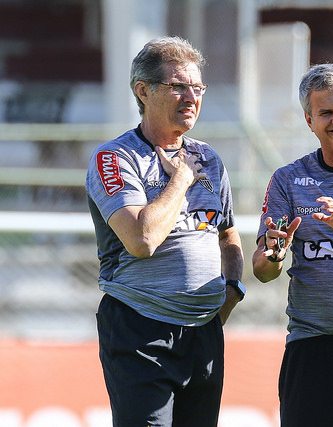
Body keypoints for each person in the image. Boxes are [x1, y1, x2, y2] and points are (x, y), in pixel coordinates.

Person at [85, 36, 245, 426]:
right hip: (141, 329)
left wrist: (232, 290)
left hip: (204, 332)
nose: (191, 96)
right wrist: (180, 180)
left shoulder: (209, 157)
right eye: (178, 86)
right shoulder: (115, 157)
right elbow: (142, 240)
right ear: (144, 91)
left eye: (197, 87)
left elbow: (227, 232)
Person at [252, 63, 333, 427]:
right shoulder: (288, 180)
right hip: (311, 345)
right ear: (309, 121)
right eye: (326, 112)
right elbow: (263, 269)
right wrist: (273, 254)